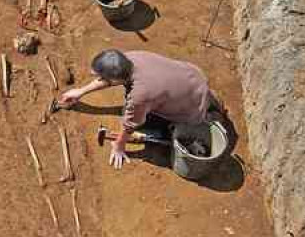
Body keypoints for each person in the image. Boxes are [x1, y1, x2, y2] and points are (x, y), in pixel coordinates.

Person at [57, 49, 217, 170]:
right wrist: (81, 91)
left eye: (100, 76)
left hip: (192, 110)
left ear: (113, 78)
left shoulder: (140, 94)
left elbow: (130, 125)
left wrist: (119, 145)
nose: (98, 78)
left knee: (134, 117)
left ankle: (179, 125)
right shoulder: (131, 58)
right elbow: (110, 79)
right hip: (195, 78)